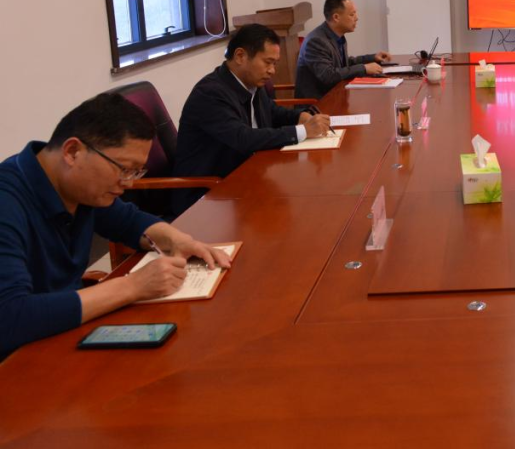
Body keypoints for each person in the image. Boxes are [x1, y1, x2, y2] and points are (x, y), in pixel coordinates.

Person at [0, 94, 233, 357]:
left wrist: (177, 240)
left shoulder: (77, 186)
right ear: (72, 152)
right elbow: (9, 318)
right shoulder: (8, 202)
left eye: (136, 172)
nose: (129, 183)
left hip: (65, 334)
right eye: (124, 169)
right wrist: (132, 286)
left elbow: (130, 222)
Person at [172, 24, 331, 215]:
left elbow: (272, 112)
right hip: (209, 195)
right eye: (268, 62)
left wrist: (299, 116)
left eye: (275, 64)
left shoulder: (250, 82)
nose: (272, 71)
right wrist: (303, 131)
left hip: (246, 175)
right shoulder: (210, 94)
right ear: (240, 56)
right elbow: (244, 138)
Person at [295, 0, 393, 100]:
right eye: (352, 14)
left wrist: (373, 58)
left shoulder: (337, 36)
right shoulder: (316, 41)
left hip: (336, 97)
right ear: (336, 17)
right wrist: (364, 68)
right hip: (318, 104)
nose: (356, 18)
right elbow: (328, 76)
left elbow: (344, 64)